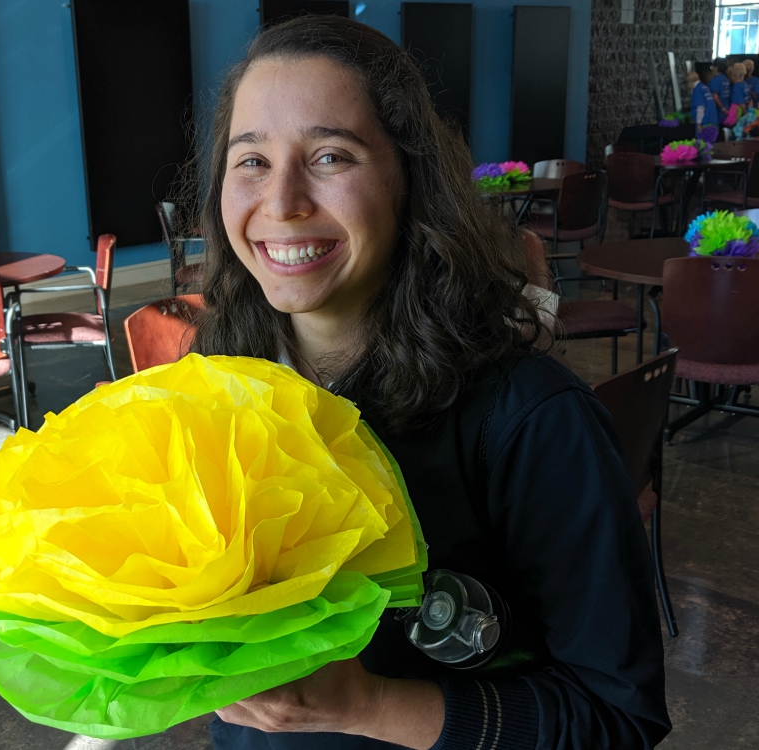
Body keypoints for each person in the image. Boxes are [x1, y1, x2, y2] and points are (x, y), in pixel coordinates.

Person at [188, 15, 671, 750]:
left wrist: (368, 705)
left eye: (329, 156)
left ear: (410, 177)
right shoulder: (216, 391)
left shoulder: (528, 417)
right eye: (250, 160)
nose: (281, 201)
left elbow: (617, 717)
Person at [708, 58, 732, 123]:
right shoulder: (727, 79)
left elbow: (715, 97)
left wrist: (723, 109)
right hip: (728, 112)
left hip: (718, 114)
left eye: (712, 67)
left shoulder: (714, 80)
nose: (712, 69)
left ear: (716, 67)